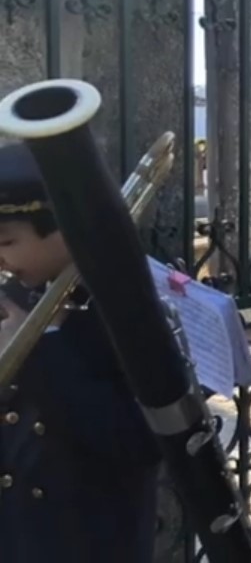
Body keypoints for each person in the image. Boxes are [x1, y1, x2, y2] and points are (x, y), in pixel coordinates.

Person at [0, 143, 161, 563]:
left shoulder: (130, 302)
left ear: (63, 227)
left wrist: (39, 348)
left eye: (7, 241)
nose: (1, 258)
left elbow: (140, 441)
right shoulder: (14, 292)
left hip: (90, 541)